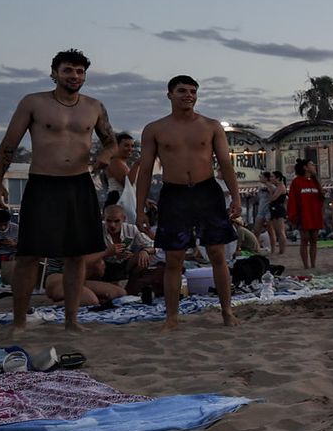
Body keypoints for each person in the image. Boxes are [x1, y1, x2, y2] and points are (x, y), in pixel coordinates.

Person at [0, 49, 114, 332]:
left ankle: (72, 320)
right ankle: (19, 321)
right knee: (29, 254)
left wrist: (106, 154)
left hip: (79, 184)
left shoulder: (94, 106)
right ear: (54, 73)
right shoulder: (34, 102)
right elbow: (8, 145)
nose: (74, 76)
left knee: (76, 255)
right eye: (68, 70)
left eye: (80, 71)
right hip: (44, 183)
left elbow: (110, 141)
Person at [136, 75, 243, 329]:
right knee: (174, 257)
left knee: (217, 253)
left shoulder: (210, 125)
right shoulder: (155, 129)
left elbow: (226, 164)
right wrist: (140, 209)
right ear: (170, 95)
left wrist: (236, 197)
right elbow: (146, 170)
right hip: (174, 193)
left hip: (207, 191)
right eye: (182, 91)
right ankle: (172, 317)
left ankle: (227, 311)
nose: (188, 95)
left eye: (193, 91)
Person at [99, 203, 158, 296]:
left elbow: (154, 245)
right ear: (103, 219)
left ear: (124, 219)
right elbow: (88, 256)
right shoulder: (98, 231)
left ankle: (130, 290)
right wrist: (107, 253)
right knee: (97, 264)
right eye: (109, 221)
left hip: (125, 265)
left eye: (116, 221)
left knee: (143, 258)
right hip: (104, 267)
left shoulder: (131, 229)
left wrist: (145, 251)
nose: (112, 225)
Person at [287, 159, 325, 269]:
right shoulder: (297, 182)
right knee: (304, 239)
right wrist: (294, 216)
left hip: (315, 214)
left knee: (314, 240)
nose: (314, 166)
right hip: (303, 215)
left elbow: (320, 199)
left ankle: (313, 264)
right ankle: (306, 265)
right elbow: (293, 200)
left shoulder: (315, 181)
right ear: (305, 167)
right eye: (312, 164)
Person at [97, 131, 138, 224]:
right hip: (118, 200)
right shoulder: (115, 162)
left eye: (132, 146)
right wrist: (137, 164)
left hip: (124, 200)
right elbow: (128, 184)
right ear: (117, 147)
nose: (130, 149)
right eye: (126, 145)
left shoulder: (123, 163)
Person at [265, 171, 288, 256]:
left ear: (277, 178)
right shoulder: (278, 186)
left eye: (272, 177)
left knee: (280, 231)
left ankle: (282, 250)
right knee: (277, 231)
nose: (271, 179)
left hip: (278, 209)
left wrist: (271, 191)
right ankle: (281, 250)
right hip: (275, 209)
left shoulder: (281, 187)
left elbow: (273, 198)